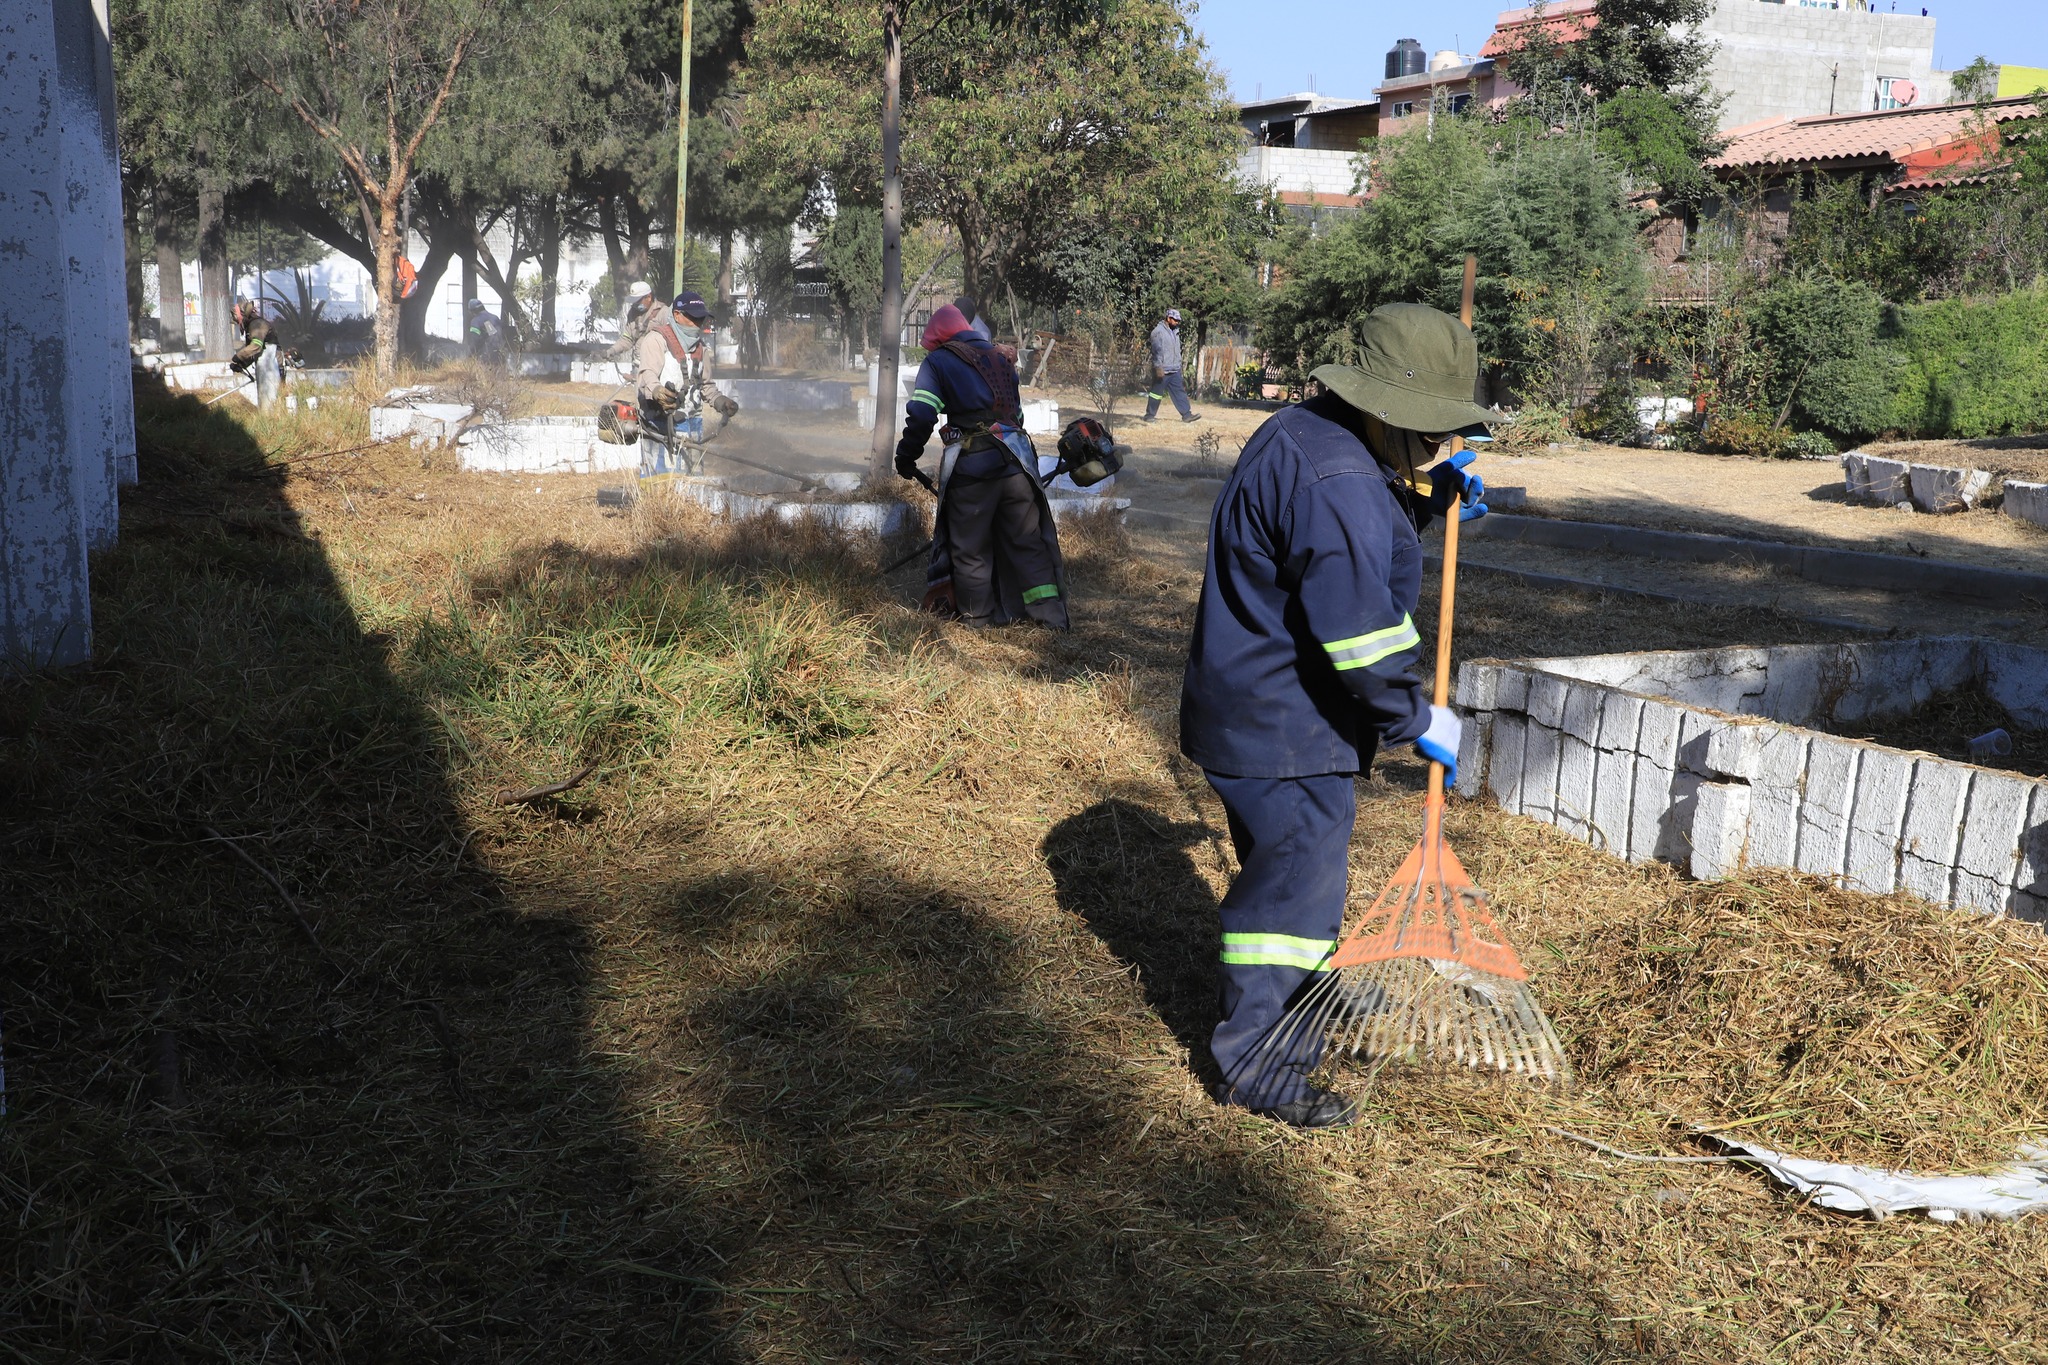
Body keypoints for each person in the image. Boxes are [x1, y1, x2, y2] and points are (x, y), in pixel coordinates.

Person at [1178, 302, 1492, 1130]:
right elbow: (1358, 634)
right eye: (1432, 438)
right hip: (1287, 727)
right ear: (1381, 410)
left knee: (1287, 880)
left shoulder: (1312, 435)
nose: (1442, 450)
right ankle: (1261, 1068)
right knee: (1289, 901)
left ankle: (1295, 994)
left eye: (1452, 440)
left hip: (1255, 711)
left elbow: (1332, 541)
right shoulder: (1342, 479)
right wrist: (1414, 714)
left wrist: (1428, 494)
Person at [895, 303, 1068, 629]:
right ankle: (1050, 618)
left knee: (971, 550)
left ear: (938, 337)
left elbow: (921, 414)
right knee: (1028, 544)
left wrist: (906, 455)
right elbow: (1015, 416)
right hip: (1018, 466)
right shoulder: (999, 357)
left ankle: (979, 622)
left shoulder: (938, 361)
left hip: (973, 469)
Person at [1143, 307, 1198, 424]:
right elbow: (1156, 351)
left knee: (1179, 392)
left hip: (1174, 369)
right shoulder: (1158, 332)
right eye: (1175, 320)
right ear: (1168, 318)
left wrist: (1178, 364)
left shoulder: (1176, 331)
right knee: (1156, 394)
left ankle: (1187, 415)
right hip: (1162, 369)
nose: (1177, 322)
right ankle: (1149, 415)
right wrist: (1158, 367)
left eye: (1178, 320)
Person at [228, 300, 283, 409]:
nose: (236, 321)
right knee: (265, 402)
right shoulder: (252, 326)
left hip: (272, 366)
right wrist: (242, 364)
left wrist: (238, 357)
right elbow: (255, 351)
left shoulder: (257, 324)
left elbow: (256, 346)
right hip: (266, 365)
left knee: (272, 402)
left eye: (236, 317)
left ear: (242, 314)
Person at [464, 298, 507, 367]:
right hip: (501, 355)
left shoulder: (476, 321)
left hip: (486, 358)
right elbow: (496, 335)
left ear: (472, 311)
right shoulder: (495, 318)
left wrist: (469, 356)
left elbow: (475, 340)